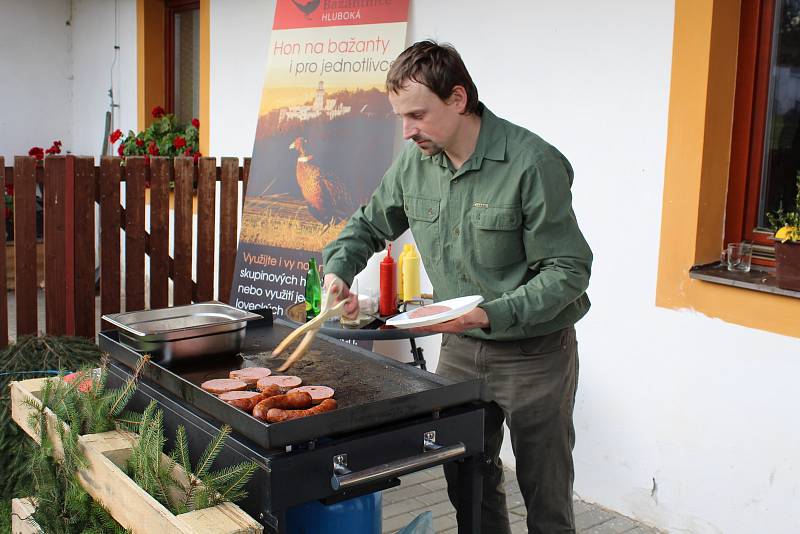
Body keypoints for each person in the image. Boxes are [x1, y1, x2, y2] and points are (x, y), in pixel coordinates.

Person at [322, 40, 592, 534]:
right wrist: (338, 270)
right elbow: (367, 223)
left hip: (534, 354)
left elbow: (569, 270)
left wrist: (488, 313)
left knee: (545, 492)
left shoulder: (533, 163)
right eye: (401, 117)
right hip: (460, 348)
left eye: (418, 115)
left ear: (459, 99)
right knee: (466, 479)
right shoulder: (415, 163)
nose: (408, 131)